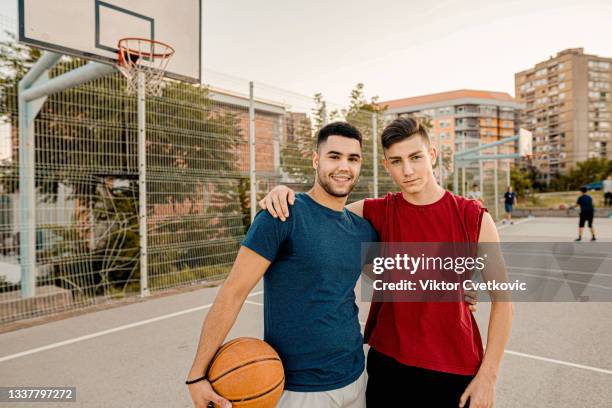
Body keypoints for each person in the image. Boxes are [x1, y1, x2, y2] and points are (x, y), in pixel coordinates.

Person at [260, 117, 513, 408]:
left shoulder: (474, 218)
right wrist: (284, 194)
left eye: (415, 157)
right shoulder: (376, 212)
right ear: (386, 166)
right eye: (396, 161)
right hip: (388, 368)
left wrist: (488, 377)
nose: (407, 170)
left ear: (432, 155)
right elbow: (318, 210)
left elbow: (503, 301)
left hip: (454, 369)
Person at [186, 122, 378, 408]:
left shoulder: (362, 230)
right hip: (299, 389)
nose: (344, 166)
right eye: (334, 156)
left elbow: (400, 281)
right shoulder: (282, 214)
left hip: (354, 377)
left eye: (353, 159)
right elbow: (233, 292)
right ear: (316, 160)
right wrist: (197, 375)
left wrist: (466, 283)